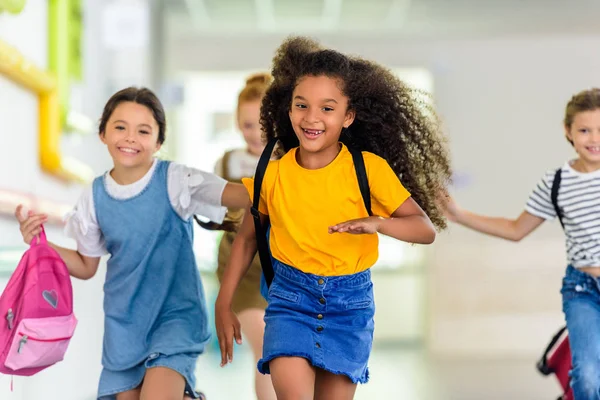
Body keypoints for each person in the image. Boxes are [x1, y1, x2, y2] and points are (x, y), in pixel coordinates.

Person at [215, 36, 452, 400]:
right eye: (301, 105)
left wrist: (378, 223)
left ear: (348, 116)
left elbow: (424, 230)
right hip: (290, 301)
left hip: (350, 306)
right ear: (288, 110)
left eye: (327, 108)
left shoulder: (367, 170)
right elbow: (247, 238)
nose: (312, 118)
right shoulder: (273, 175)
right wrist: (224, 301)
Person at [15, 87, 249, 400]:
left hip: (175, 317)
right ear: (103, 133)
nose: (130, 138)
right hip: (124, 325)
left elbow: (243, 196)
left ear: (159, 141)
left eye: (143, 130)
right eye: (120, 127)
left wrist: (292, 175)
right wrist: (41, 244)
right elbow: (86, 266)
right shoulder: (94, 196)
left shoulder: (176, 179)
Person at [441, 88, 600, 399]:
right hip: (582, 291)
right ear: (568, 131)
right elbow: (515, 229)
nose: (593, 138)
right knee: (587, 378)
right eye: (584, 130)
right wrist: (458, 214)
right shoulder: (556, 183)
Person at [201, 72, 276, 400]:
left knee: (287, 354)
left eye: (263, 124)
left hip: (284, 270)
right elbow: (213, 207)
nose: (256, 133)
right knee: (266, 347)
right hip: (240, 269)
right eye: (247, 125)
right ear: (236, 123)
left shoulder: (291, 159)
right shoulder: (228, 162)